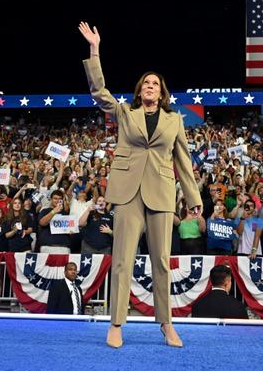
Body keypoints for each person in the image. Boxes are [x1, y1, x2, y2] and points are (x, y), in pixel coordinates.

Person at [79, 21, 202, 349]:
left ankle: (166, 324)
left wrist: (193, 197)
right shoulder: (124, 112)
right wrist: (95, 50)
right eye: (146, 82)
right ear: (140, 89)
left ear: (162, 93)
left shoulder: (174, 120)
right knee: (122, 259)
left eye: (156, 84)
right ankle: (116, 322)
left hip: (161, 193)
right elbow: (98, 92)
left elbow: (183, 160)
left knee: (162, 261)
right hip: (128, 192)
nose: (150, 86)